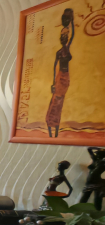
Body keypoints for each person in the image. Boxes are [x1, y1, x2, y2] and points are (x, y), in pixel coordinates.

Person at [46, 8, 74, 138]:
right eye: (62, 37)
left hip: (65, 79)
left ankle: (55, 128)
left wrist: (71, 22)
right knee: (54, 103)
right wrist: (53, 83)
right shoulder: (59, 52)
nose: (63, 38)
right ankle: (51, 127)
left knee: (58, 102)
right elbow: (54, 68)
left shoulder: (66, 50)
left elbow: (73, 36)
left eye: (65, 37)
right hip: (59, 78)